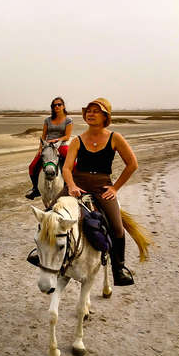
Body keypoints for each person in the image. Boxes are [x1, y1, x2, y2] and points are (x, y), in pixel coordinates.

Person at [62, 97, 138, 286]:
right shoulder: (77, 141)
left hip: (102, 186)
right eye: (89, 110)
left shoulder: (115, 138)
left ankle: (118, 269)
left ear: (105, 116)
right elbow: (66, 169)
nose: (91, 113)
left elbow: (132, 164)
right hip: (77, 183)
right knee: (50, 213)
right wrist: (71, 185)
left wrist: (115, 188)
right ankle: (40, 254)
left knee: (117, 227)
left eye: (96, 111)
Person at [25, 97, 73, 200]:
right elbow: (43, 136)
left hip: (62, 144)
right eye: (54, 105)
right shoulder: (47, 120)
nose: (57, 106)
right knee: (32, 166)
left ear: (63, 106)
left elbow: (67, 136)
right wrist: (40, 148)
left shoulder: (68, 120)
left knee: (73, 164)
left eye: (59, 104)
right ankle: (35, 189)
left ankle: (72, 186)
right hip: (47, 145)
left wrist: (56, 140)